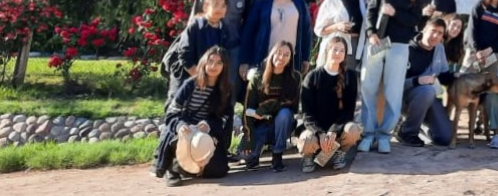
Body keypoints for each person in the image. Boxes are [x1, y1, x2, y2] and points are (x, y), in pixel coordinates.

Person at [361, 0, 427, 154]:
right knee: (368, 87)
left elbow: (416, 22)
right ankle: (368, 133)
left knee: (393, 91)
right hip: (376, 42)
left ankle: (383, 136)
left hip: (398, 46)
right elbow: (372, 10)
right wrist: (371, 32)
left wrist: (395, 13)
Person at [155, 46, 232, 186]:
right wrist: (180, 126)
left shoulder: (225, 89)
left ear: (224, 66)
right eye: (210, 61)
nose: (213, 66)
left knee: (219, 171)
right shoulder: (190, 84)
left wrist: (209, 125)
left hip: (206, 132)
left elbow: (225, 118)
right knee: (181, 140)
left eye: (219, 63)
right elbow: (172, 113)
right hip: (185, 130)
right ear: (204, 62)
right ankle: (172, 166)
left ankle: (191, 166)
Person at [194, 0, 257, 103]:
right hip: (208, 45)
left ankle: (224, 124)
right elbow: (195, 19)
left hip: (233, 47)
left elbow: (251, 27)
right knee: (205, 86)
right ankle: (203, 123)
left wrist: (246, 59)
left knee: (229, 89)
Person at [297, 34, 362, 173]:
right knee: (307, 139)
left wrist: (333, 131)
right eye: (335, 49)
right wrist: (320, 133)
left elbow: (348, 111)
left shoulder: (350, 77)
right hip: (316, 132)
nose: (338, 53)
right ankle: (309, 156)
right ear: (327, 51)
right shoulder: (312, 76)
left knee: (353, 130)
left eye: (342, 50)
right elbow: (306, 114)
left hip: (336, 131)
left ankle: (339, 152)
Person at [242, 0, 313, 75]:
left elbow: (307, 32)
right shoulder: (261, 5)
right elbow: (248, 33)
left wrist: (305, 58)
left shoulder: (300, 5)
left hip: (291, 61)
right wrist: (245, 61)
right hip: (265, 59)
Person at [241, 41, 299, 172]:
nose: (281, 58)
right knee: (247, 157)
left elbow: (292, 104)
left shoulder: (295, 77)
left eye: (286, 55)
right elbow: (247, 110)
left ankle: (277, 154)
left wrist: (264, 108)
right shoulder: (257, 78)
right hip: (260, 124)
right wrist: (249, 138)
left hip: (282, 124)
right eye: (279, 53)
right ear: (272, 55)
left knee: (285, 114)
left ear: (290, 59)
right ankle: (256, 151)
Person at [399, 17, 456, 147]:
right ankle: (407, 132)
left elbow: (444, 76)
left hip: (428, 98)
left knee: (445, 138)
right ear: (424, 29)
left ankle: (421, 126)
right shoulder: (406, 48)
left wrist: (460, 76)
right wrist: (417, 81)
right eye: (433, 31)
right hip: (404, 98)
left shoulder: (439, 48)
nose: (436, 36)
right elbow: (395, 84)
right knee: (427, 90)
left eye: (440, 33)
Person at [170, 0, 227, 99]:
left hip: (206, 78)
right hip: (186, 74)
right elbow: (184, 56)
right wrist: (200, 77)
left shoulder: (222, 28)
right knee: (177, 110)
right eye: (215, 5)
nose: (219, 9)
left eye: (223, 6)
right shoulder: (196, 25)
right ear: (205, 7)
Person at [312, 0, 369, 69]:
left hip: (357, 47)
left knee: (350, 82)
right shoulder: (331, 2)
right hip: (336, 47)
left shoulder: (362, 1)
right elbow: (318, 29)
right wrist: (336, 27)